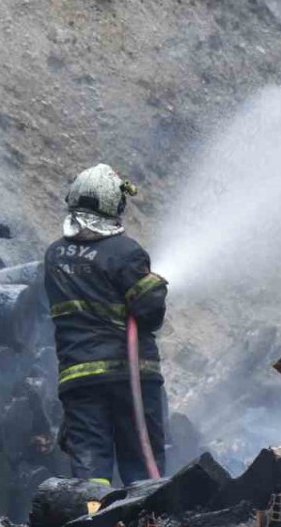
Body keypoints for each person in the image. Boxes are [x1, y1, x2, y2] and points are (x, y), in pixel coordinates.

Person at [43, 163, 168, 486]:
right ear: (115, 206)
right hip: (130, 376)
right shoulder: (126, 252)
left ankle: (92, 518)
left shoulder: (55, 255)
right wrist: (155, 288)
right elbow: (150, 316)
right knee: (142, 466)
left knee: (89, 467)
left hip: (78, 377)